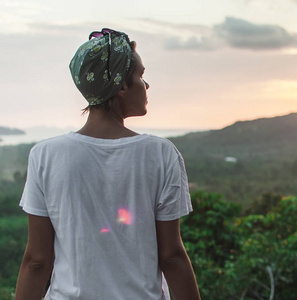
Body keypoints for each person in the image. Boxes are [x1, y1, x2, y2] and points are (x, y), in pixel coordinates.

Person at [15, 28, 200, 300]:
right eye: (140, 76)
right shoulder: (161, 154)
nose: (146, 85)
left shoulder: (45, 155)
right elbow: (171, 257)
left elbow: (37, 261)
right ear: (122, 85)